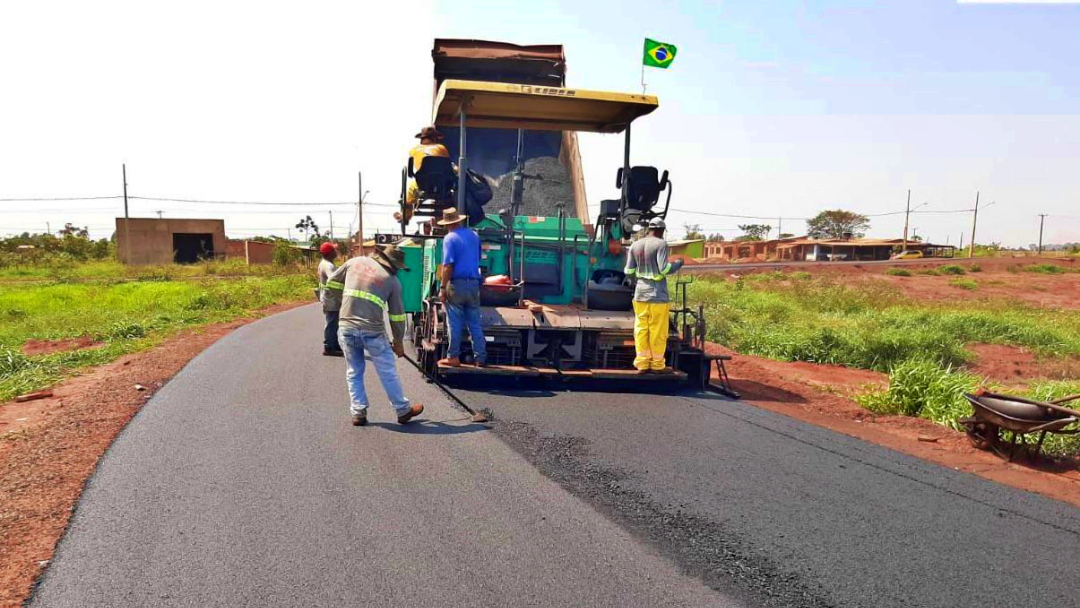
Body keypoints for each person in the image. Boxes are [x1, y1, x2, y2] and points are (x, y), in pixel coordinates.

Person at [324, 243, 424, 427]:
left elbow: (331, 284)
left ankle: (358, 412)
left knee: (354, 371)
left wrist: (345, 300)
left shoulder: (354, 262)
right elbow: (397, 316)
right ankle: (402, 410)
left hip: (347, 327)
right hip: (373, 331)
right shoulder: (392, 281)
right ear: (393, 264)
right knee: (387, 371)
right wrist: (398, 342)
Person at [624, 218, 684, 373]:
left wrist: (638, 278)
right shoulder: (661, 244)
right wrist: (678, 263)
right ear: (662, 230)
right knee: (657, 330)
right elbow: (664, 269)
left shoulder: (635, 245)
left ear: (649, 229)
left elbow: (628, 271)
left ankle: (642, 363)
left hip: (640, 295)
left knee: (641, 329)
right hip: (657, 296)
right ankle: (657, 365)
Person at [435, 208, 486, 368]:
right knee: (475, 324)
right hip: (473, 285)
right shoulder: (474, 235)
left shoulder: (449, 238)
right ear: (459, 220)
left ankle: (453, 357)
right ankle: (480, 359)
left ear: (447, 224)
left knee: (454, 323)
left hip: (456, 285)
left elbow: (448, 265)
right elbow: (477, 258)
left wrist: (443, 288)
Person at [399, 126, 453, 223]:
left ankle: (406, 215)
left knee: (410, 193)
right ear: (434, 138)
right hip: (442, 184)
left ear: (422, 139)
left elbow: (412, 169)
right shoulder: (442, 148)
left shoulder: (414, 150)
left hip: (422, 184)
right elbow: (447, 164)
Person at [317, 242, 343, 357]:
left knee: (334, 323)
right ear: (330, 253)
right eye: (334, 250)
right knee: (331, 323)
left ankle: (334, 344)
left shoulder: (326, 263)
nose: (335, 252)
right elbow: (333, 280)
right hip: (331, 299)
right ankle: (329, 346)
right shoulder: (328, 266)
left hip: (329, 298)